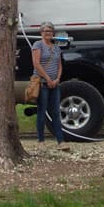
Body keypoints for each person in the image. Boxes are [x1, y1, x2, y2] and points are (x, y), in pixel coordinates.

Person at [32, 21, 68, 150]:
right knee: (42, 111)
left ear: (53, 33)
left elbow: (59, 65)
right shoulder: (38, 45)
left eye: (50, 31)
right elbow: (36, 64)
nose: (47, 33)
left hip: (55, 83)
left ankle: (60, 141)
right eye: (45, 31)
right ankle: (41, 140)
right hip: (42, 83)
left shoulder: (56, 47)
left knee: (56, 112)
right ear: (41, 33)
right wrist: (47, 79)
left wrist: (57, 78)